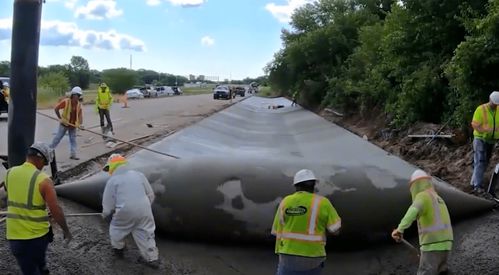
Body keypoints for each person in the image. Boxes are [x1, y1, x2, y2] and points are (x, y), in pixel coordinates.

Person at [5, 142, 72, 275]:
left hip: (15, 237)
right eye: (45, 163)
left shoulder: (9, 173)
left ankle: (42, 270)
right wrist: (66, 230)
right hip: (37, 237)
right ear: (40, 158)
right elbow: (56, 210)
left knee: (29, 268)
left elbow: (12, 194)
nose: (43, 167)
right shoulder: (44, 180)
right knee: (38, 262)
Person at [272, 169, 341, 275]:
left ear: (296, 186)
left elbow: (277, 230)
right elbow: (335, 230)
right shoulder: (323, 203)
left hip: (287, 254)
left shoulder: (285, 201)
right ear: (314, 185)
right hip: (313, 256)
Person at [101, 154, 159, 269]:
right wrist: (144, 207)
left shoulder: (113, 181)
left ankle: (119, 250)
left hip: (124, 212)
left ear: (113, 166)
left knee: (116, 230)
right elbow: (151, 194)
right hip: (144, 210)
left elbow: (108, 203)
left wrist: (106, 214)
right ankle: (152, 258)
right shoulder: (139, 175)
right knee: (146, 233)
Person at [392, 169, 453, 275]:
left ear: (415, 186)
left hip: (432, 244)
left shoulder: (422, 196)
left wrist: (400, 228)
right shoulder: (438, 198)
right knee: (442, 270)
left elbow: (412, 211)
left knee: (425, 272)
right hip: (447, 244)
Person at [470, 91, 499, 193]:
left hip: (491, 141)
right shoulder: (481, 109)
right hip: (480, 139)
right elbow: (474, 124)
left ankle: (473, 182)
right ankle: (477, 186)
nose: (495, 106)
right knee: (480, 161)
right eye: (494, 103)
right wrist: (485, 131)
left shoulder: (498, 110)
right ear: (490, 100)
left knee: (484, 162)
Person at [50, 86, 83, 160]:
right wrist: (60, 118)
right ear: (73, 95)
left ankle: (73, 155)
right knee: (58, 138)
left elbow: (80, 115)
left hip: (73, 125)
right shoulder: (66, 102)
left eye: (79, 95)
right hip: (64, 124)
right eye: (77, 95)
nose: (78, 97)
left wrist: (81, 125)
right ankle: (49, 152)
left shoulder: (79, 105)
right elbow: (56, 109)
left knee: (73, 140)